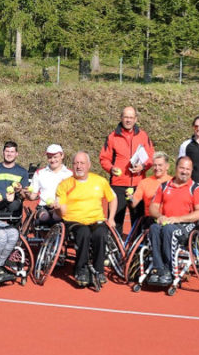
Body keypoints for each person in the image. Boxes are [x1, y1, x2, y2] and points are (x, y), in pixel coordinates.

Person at [56, 151, 117, 287]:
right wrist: (57, 208)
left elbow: (112, 198)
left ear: (89, 165)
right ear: (72, 166)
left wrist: (111, 218)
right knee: (84, 232)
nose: (79, 166)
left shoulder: (100, 181)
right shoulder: (65, 184)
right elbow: (62, 212)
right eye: (76, 163)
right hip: (74, 221)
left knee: (101, 233)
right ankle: (81, 269)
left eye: (82, 163)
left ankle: (99, 270)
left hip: (95, 219)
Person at [147, 156, 199, 285]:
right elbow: (153, 207)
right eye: (182, 168)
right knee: (154, 228)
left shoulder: (195, 188)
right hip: (167, 222)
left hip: (186, 226)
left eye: (188, 169)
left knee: (169, 230)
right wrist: (159, 216)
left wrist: (178, 219)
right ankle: (158, 268)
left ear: (191, 171)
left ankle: (169, 270)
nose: (184, 171)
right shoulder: (164, 186)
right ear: (176, 168)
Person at [99, 106, 154, 234]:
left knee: (138, 220)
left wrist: (143, 166)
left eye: (131, 117)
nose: (128, 120)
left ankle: (136, 246)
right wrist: (111, 168)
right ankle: (115, 246)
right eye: (126, 117)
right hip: (118, 185)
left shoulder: (143, 136)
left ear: (135, 119)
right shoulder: (112, 137)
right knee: (116, 220)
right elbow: (104, 158)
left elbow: (151, 156)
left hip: (138, 185)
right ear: (121, 118)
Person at [27, 144, 72, 224]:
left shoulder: (70, 174)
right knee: (44, 217)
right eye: (50, 157)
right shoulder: (39, 173)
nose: (52, 160)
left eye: (55, 157)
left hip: (62, 207)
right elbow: (32, 196)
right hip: (43, 208)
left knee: (57, 216)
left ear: (62, 156)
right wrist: (26, 193)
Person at [0, 141, 29, 217]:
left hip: (12, 205)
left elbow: (24, 195)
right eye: (7, 151)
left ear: (16, 154)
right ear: (3, 153)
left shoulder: (23, 172)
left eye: (12, 152)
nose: (9, 154)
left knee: (15, 205)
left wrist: (19, 190)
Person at [126, 151, 172, 219]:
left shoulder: (174, 182)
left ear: (167, 166)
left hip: (169, 219)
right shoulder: (144, 182)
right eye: (155, 165)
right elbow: (133, 203)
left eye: (160, 165)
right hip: (150, 219)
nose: (157, 168)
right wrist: (129, 198)